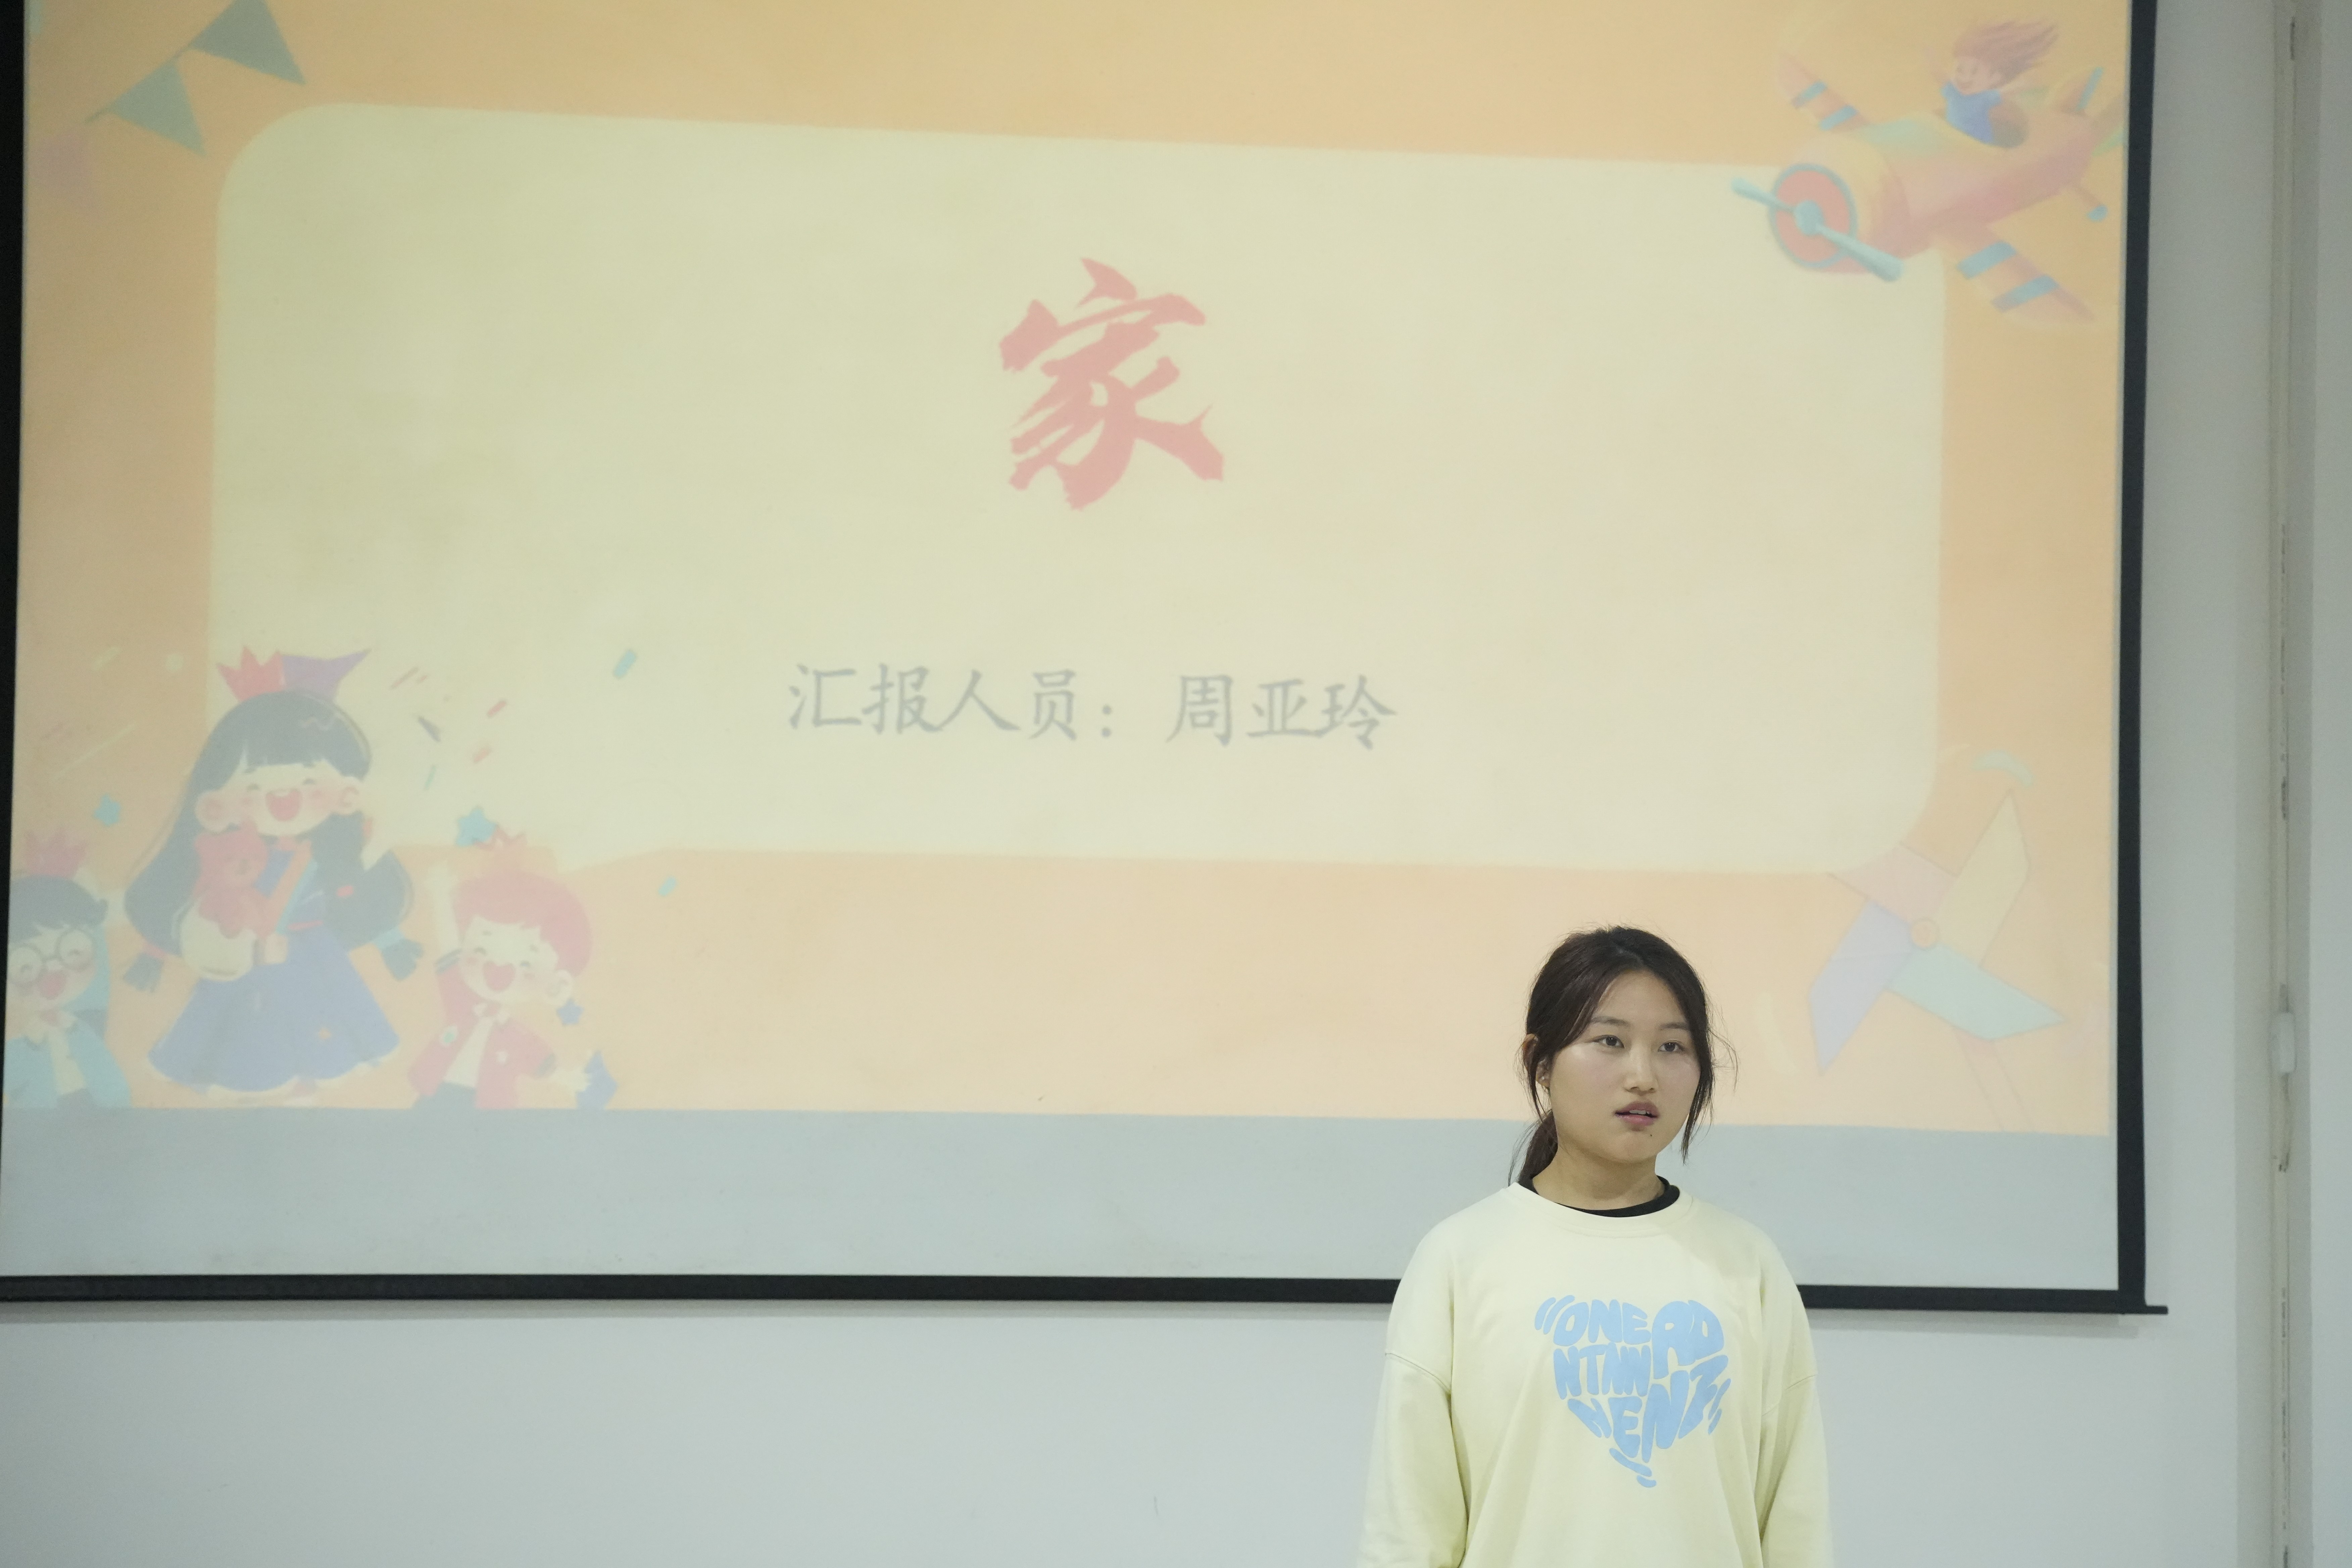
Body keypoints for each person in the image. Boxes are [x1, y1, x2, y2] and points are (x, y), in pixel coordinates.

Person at [1357, 927, 1831, 1568]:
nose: (1643, 1076)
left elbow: (1796, 1521)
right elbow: (1408, 1531)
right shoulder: (1459, 1258)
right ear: (1541, 1062)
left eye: (1672, 1047)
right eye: (1610, 1041)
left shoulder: (1747, 1265)